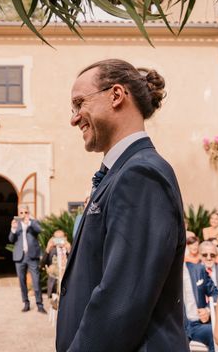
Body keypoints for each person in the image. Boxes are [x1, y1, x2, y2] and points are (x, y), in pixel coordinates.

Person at [57, 59, 188, 352]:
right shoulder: (121, 172)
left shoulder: (141, 175)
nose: (74, 118)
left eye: (80, 103)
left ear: (116, 95)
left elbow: (120, 300)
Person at [9, 205, 46, 314]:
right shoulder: (16, 224)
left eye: (26, 212)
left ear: (28, 213)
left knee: (36, 280)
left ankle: (40, 304)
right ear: (18, 214)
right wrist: (13, 229)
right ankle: (26, 303)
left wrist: (29, 223)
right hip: (19, 257)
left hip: (32, 256)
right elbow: (11, 239)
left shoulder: (33, 222)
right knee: (22, 281)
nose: (23, 214)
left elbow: (40, 230)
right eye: (21, 213)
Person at [183, 261, 218, 352]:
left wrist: (208, 310)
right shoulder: (164, 272)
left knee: (214, 332)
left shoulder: (198, 269)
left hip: (197, 325)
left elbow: (216, 295)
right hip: (176, 326)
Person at [42, 230, 71, 300]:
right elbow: (43, 263)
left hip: (67, 283)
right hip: (55, 283)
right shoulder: (52, 250)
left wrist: (69, 250)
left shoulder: (69, 249)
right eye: (56, 238)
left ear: (65, 238)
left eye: (61, 238)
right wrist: (48, 249)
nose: (59, 240)